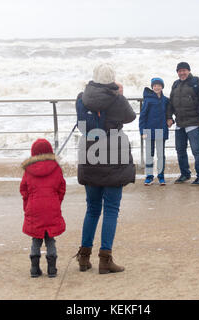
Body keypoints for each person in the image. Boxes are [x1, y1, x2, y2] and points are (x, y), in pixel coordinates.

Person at [75, 63, 136, 274]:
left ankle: (84, 257)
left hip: (90, 151)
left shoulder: (81, 99)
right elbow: (130, 117)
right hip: (113, 154)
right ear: (112, 80)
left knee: (92, 209)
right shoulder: (116, 99)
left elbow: (83, 126)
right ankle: (105, 259)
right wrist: (120, 94)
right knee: (111, 209)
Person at [20, 138, 66, 278]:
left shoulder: (28, 170)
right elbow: (61, 188)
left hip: (34, 208)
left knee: (36, 238)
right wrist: (56, 202)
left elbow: (24, 190)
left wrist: (27, 206)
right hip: (52, 207)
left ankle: (34, 269)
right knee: (50, 238)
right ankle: (52, 269)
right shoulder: (56, 168)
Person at [167, 62, 199, 185]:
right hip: (180, 124)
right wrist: (169, 117)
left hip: (194, 123)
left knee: (196, 150)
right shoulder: (175, 84)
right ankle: (185, 174)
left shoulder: (197, 82)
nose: (182, 73)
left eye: (184, 70)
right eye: (179, 71)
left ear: (188, 71)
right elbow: (171, 103)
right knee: (180, 150)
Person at [139, 77, 169, 186]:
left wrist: (171, 120)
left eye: (159, 85)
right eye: (155, 85)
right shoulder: (148, 100)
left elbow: (169, 112)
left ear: (162, 87)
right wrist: (142, 131)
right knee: (149, 154)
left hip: (161, 130)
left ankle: (161, 176)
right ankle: (149, 176)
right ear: (152, 87)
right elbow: (142, 117)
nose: (157, 87)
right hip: (148, 130)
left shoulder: (165, 100)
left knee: (161, 155)